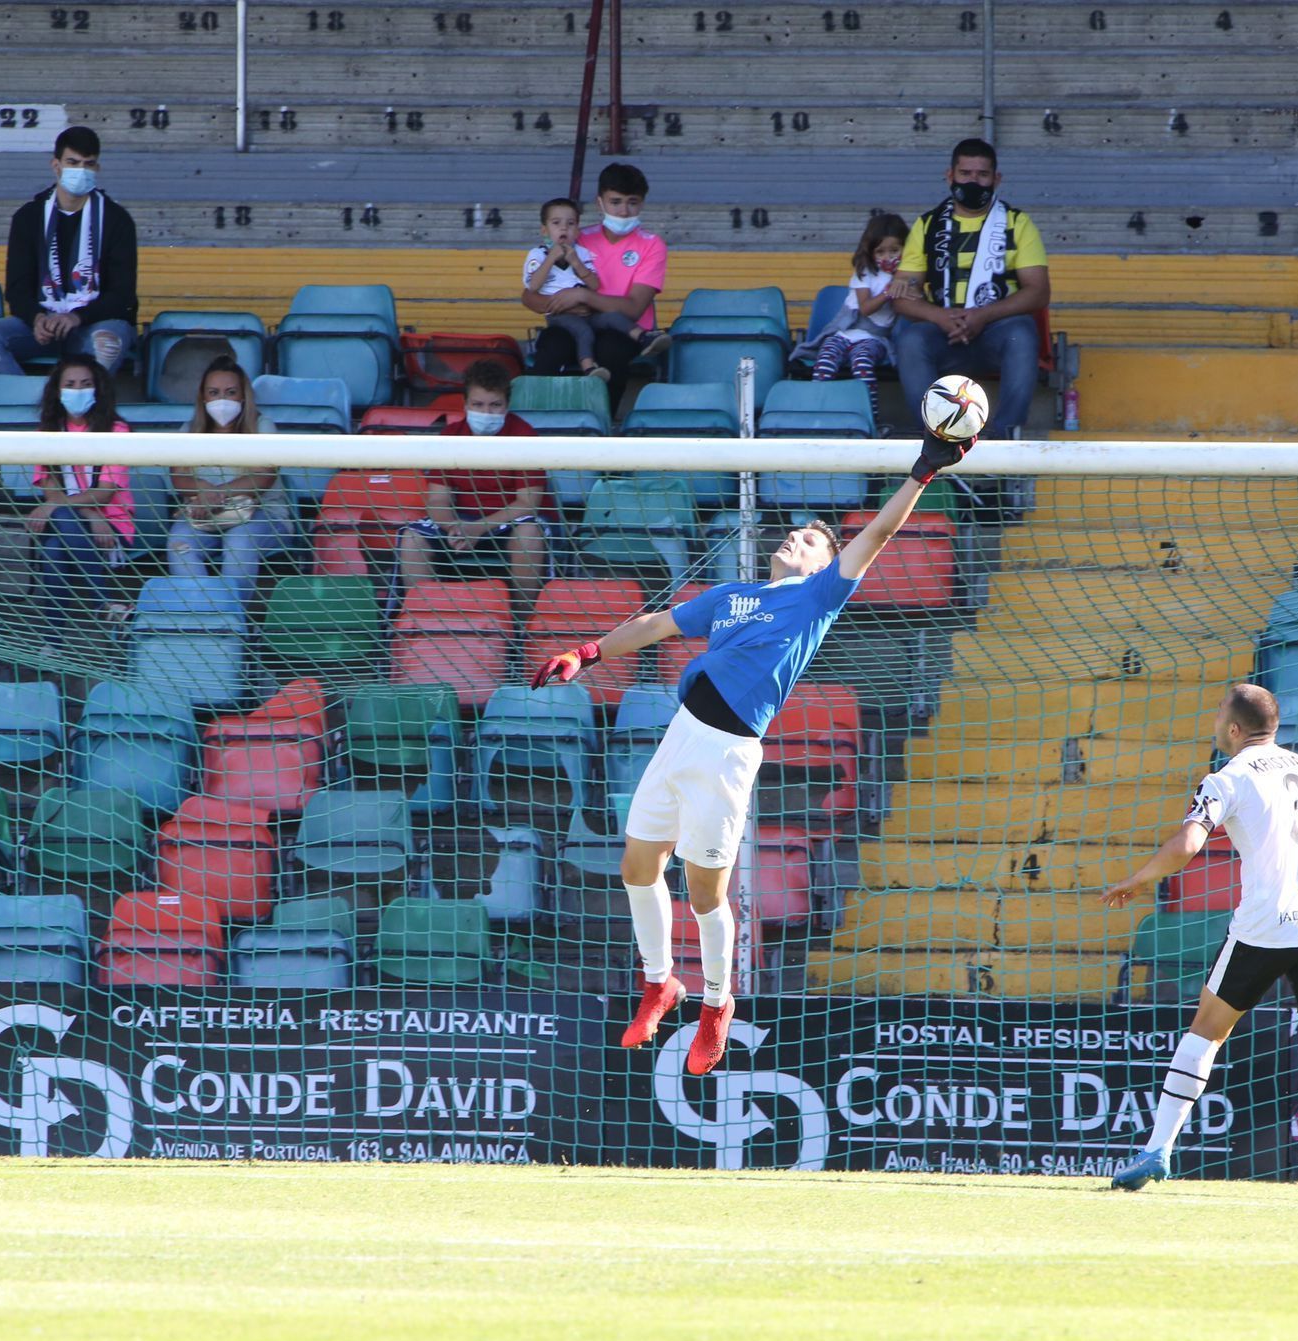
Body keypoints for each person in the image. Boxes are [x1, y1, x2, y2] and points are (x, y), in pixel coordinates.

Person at [531, 431, 972, 1075]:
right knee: (636, 866)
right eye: (795, 533)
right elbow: (654, 625)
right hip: (681, 734)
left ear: (826, 563)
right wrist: (588, 653)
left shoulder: (818, 598)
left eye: (813, 540)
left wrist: (922, 474)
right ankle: (660, 985)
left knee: (705, 892)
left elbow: (874, 537)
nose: (795, 538)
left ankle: (716, 1003)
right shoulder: (732, 596)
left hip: (728, 753)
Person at [1100, 683, 1298, 1203]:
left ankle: (1158, 1149)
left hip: (1262, 927)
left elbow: (1189, 843)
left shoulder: (1226, 778)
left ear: (1234, 729)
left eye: (1218, 718)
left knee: (1206, 1031)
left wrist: (1138, 880)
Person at [889, 138, 1050, 441]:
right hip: (944, 336)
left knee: (1023, 333)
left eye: (982, 175)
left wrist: (983, 316)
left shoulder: (1018, 224)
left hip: (996, 334)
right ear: (950, 176)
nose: (973, 181)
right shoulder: (927, 225)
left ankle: (1003, 438)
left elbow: (1038, 292)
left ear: (996, 179)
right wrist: (940, 317)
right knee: (911, 339)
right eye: (965, 174)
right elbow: (902, 295)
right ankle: (936, 437)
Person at [0, 125, 139, 378]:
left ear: (97, 169)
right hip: (43, 324)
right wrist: (36, 318)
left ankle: (84, 413)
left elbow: (122, 295)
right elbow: (17, 288)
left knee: (106, 342)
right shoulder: (28, 217)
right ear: (56, 165)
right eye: (72, 162)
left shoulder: (117, 220)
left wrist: (77, 317)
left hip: (93, 325)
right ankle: (21, 407)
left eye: (88, 164)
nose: (80, 171)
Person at [397, 362, 548, 618]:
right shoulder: (451, 435)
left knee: (530, 534)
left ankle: (524, 624)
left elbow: (527, 503)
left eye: (495, 405)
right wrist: (455, 527)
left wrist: (478, 528)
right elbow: (437, 499)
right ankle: (424, 621)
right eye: (478, 405)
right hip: (460, 521)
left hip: (509, 522)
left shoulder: (525, 436)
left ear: (507, 405)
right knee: (412, 539)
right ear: (465, 404)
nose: (486, 412)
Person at [526, 163, 668, 413]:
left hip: (623, 330)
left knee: (610, 349)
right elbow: (530, 296)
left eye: (632, 202)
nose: (624, 211)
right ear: (600, 202)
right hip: (573, 324)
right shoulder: (577, 236)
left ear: (642, 204)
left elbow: (634, 309)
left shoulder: (652, 245)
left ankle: (602, 424)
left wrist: (583, 296)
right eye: (615, 202)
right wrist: (560, 304)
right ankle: (538, 422)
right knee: (552, 344)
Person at [168, 356, 289, 602]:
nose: (221, 400)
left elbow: (263, 479)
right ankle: (204, 616)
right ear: (203, 398)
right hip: (204, 516)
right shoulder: (188, 430)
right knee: (179, 543)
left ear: (243, 396)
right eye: (214, 393)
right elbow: (179, 479)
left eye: (230, 392)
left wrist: (215, 495)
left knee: (239, 539)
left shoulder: (262, 426)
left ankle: (233, 623)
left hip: (264, 515)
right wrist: (203, 492)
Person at [26, 358, 134, 630]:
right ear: (58, 391)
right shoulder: (46, 432)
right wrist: (87, 513)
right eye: (70, 384)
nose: (78, 390)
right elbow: (50, 487)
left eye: (86, 384)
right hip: (71, 521)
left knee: (54, 545)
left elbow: (105, 494)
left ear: (98, 389)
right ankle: (104, 605)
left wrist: (90, 514)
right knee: (54, 543)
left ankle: (54, 639)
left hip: (111, 527)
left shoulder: (116, 430)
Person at [522, 198, 653, 386]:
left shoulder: (582, 253)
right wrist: (550, 259)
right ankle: (589, 368)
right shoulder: (537, 255)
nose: (564, 229)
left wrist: (576, 262)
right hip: (561, 316)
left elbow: (594, 285)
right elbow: (532, 287)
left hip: (588, 312)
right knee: (582, 332)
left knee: (613, 318)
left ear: (577, 230)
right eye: (556, 223)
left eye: (571, 224)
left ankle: (645, 338)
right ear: (545, 230)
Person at [803, 212, 907, 430]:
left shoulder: (907, 277)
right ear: (870, 252)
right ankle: (813, 414)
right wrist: (888, 293)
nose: (887, 257)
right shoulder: (864, 274)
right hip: (843, 333)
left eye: (894, 250)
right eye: (881, 251)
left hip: (874, 339)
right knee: (825, 362)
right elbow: (866, 308)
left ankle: (871, 422)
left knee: (862, 366)